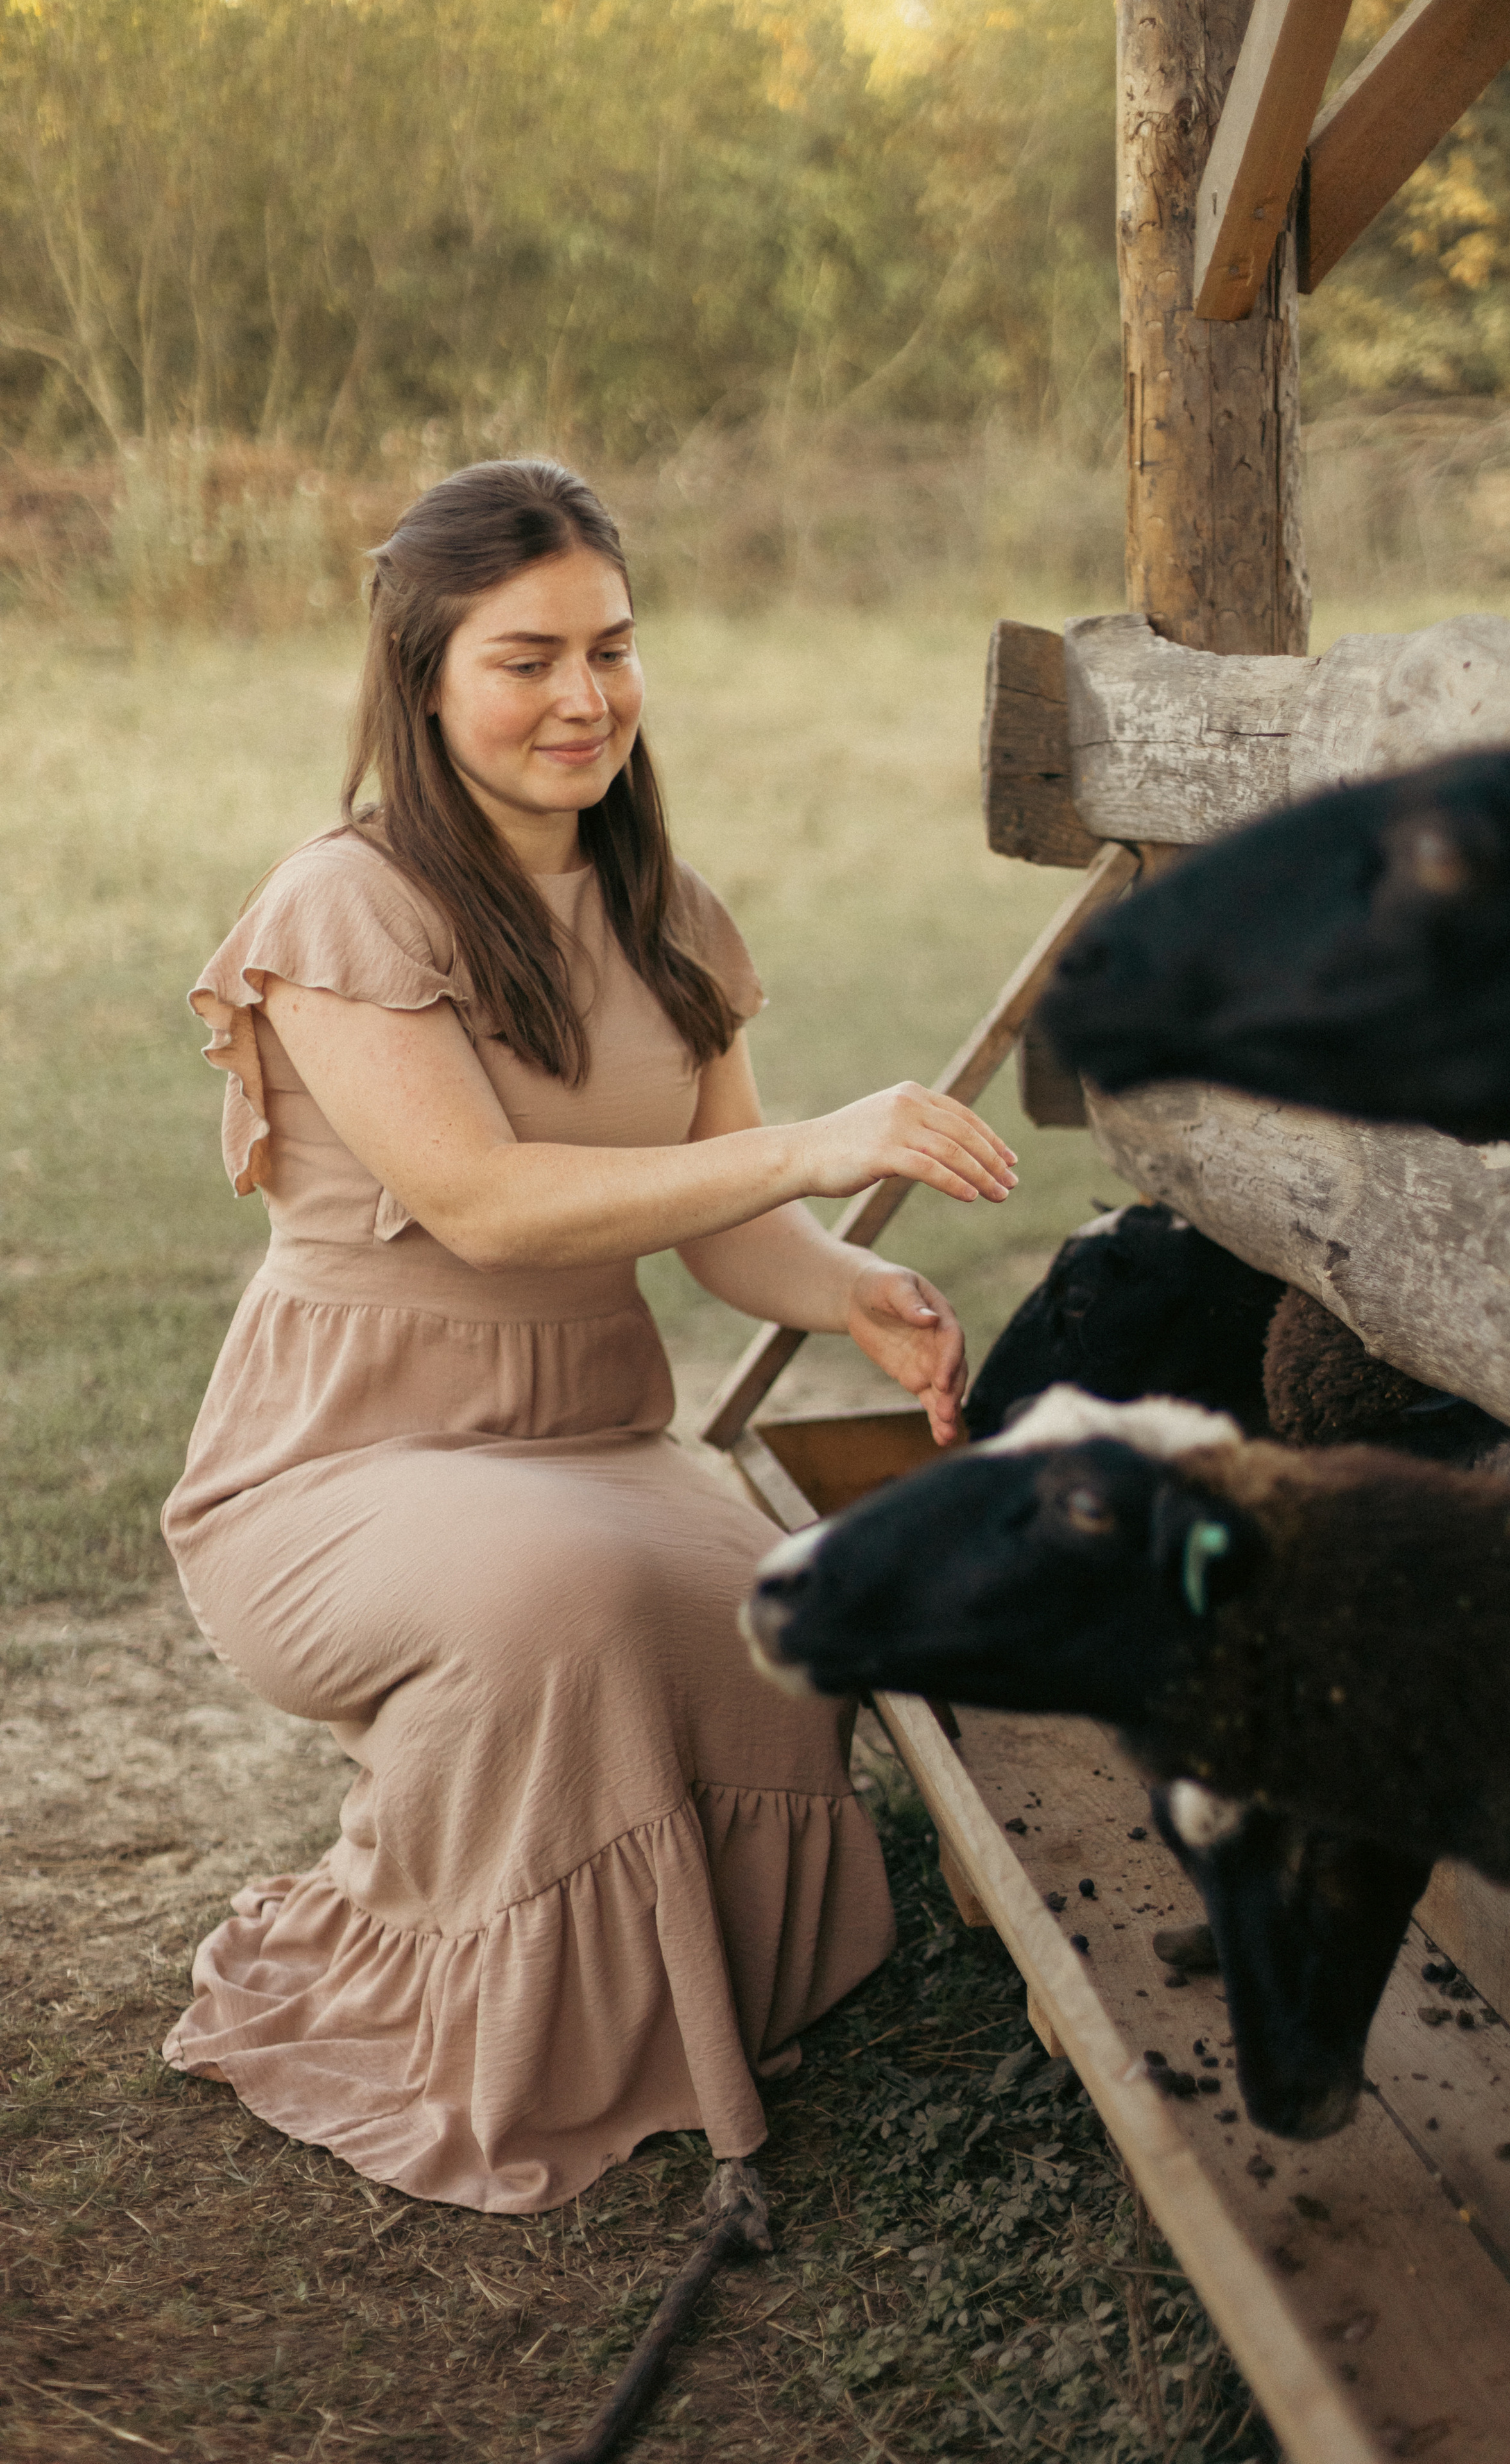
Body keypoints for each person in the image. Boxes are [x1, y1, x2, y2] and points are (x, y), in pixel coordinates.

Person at [160, 458, 1017, 2214]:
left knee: (757, 1612)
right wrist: (817, 1141)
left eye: (611, 649)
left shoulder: (670, 914)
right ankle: (485, 2012)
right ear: (423, 680)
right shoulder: (347, 906)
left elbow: (724, 1222)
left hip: (592, 1430)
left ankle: (693, 2002)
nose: (584, 697)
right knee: (570, 1605)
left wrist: (852, 1286)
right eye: (527, 658)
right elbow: (477, 1201)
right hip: (349, 1454)